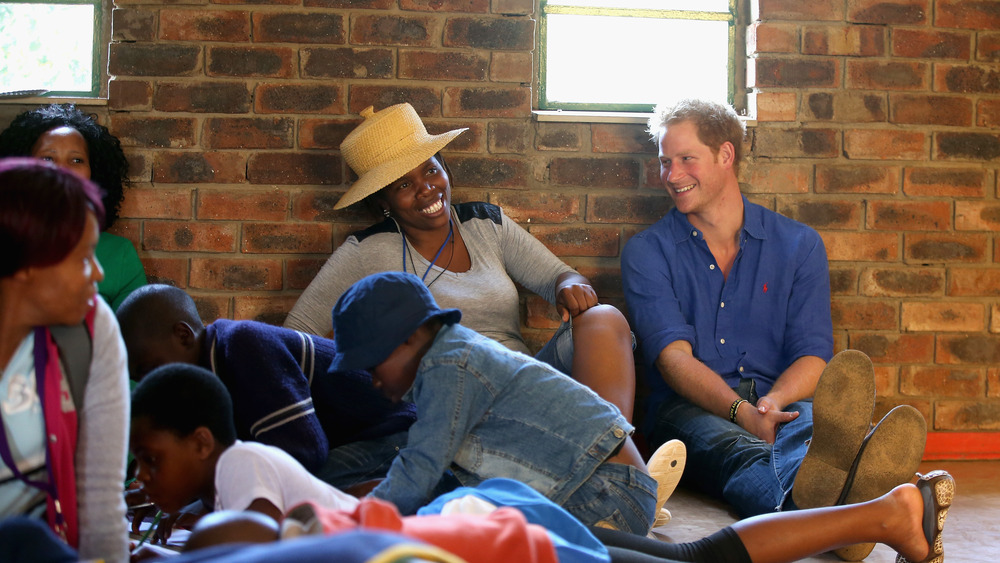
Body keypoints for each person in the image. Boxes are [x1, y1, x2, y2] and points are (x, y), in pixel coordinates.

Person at [621, 99, 928, 557]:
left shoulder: (799, 245)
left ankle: (833, 503)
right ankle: (849, 512)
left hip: (779, 397)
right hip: (686, 410)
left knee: (807, 435)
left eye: (686, 159)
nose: (671, 174)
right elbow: (673, 360)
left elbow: (812, 355)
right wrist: (742, 414)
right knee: (738, 451)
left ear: (726, 155)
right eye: (666, 161)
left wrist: (772, 403)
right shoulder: (647, 251)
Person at [283, 103, 638, 427]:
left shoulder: (487, 225)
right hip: (454, 405)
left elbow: (560, 275)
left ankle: (613, 451)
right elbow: (295, 338)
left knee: (603, 318)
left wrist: (568, 285)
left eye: (431, 170)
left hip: (526, 378)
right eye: (404, 184)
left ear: (445, 168)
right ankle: (606, 467)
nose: (426, 189)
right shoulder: (366, 251)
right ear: (384, 202)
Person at [116, 283, 415, 481]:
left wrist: (219, 508)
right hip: (343, 446)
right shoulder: (206, 384)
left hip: (393, 438)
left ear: (183, 336)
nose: (151, 384)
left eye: (149, 369)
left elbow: (302, 454)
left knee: (301, 493)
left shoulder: (242, 345)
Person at [0, 158, 129, 562]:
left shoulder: (90, 328)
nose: (98, 274)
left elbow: (101, 501)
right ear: (25, 264)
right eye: (84, 257)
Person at [0, 103, 146, 311]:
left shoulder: (119, 255)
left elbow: (134, 339)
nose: (62, 170)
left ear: (94, 174)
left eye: (76, 160)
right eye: (47, 158)